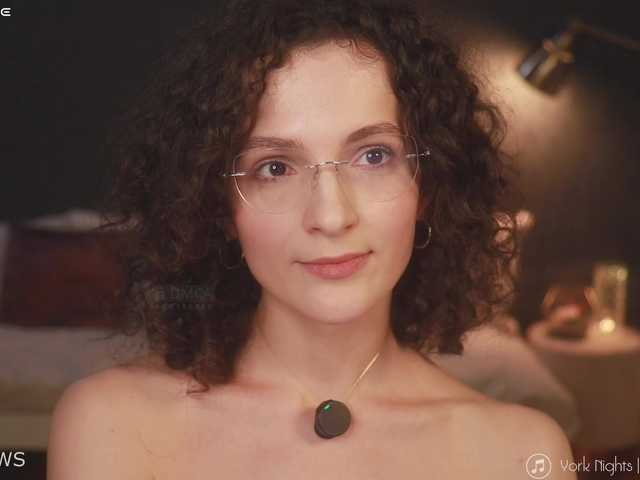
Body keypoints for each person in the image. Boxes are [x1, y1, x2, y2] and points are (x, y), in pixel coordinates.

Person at [47, 0, 576, 478]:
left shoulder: (522, 455)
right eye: (276, 167)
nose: (331, 216)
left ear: (429, 186)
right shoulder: (109, 426)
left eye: (374, 156)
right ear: (220, 207)